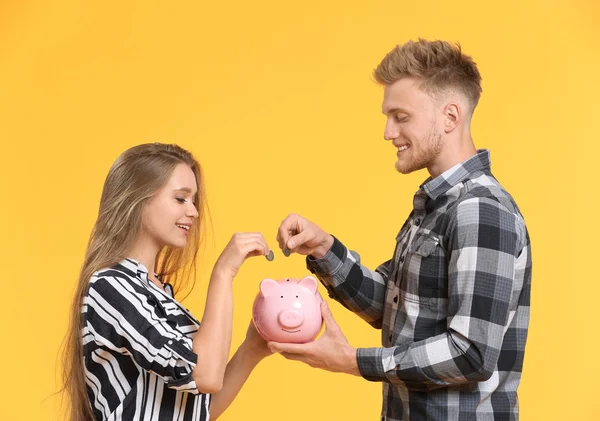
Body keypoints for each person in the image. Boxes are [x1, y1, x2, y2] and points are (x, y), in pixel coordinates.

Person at [271, 39, 532, 421]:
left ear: (450, 116)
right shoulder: (434, 207)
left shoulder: (479, 210)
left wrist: (354, 362)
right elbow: (393, 308)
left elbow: (471, 354)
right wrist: (324, 250)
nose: (387, 132)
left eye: (401, 116)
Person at [61, 143, 272, 421]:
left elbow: (197, 410)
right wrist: (223, 272)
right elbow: (205, 375)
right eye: (181, 199)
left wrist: (252, 348)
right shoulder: (110, 287)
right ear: (137, 199)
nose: (194, 212)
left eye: (193, 200)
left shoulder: (158, 295)